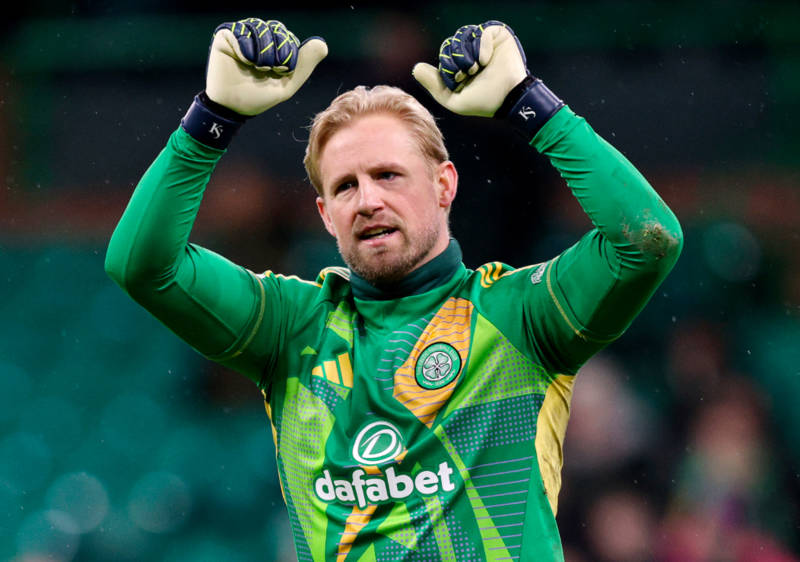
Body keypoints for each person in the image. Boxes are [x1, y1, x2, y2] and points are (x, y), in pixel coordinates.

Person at [106, 17, 683, 561]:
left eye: (387, 175)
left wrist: (528, 103)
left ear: (444, 185)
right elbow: (142, 266)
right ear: (326, 215)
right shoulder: (290, 328)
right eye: (345, 187)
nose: (368, 200)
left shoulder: (521, 316)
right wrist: (211, 118)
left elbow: (648, 240)